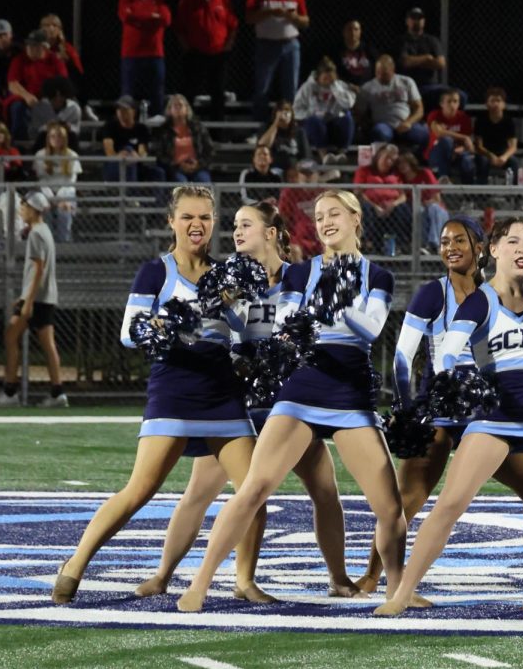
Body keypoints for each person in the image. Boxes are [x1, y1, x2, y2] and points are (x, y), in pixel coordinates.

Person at [373, 216, 523, 617]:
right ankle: (400, 595)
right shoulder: (480, 300)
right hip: (495, 414)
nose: (522, 249)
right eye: (513, 241)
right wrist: (450, 380)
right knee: (449, 504)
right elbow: (451, 350)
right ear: (494, 250)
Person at [177, 190, 408, 613]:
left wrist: (333, 306)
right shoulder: (301, 274)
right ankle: (200, 582)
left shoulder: (379, 276)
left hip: (351, 395)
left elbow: (370, 329)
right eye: (319, 217)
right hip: (303, 388)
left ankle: (397, 591)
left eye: (334, 213)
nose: (325, 221)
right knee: (253, 488)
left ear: (357, 219)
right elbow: (284, 324)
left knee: (389, 507)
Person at [134, 201, 363, 602]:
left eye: (246, 225)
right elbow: (230, 341)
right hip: (241, 403)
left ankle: (337, 578)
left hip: (291, 404)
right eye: (234, 226)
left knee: (324, 489)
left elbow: (323, 323)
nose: (236, 233)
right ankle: (164, 575)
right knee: (201, 491)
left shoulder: (300, 277)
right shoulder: (228, 280)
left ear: (271, 233)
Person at [52, 185, 256, 604]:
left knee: (253, 488)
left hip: (221, 392)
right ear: (171, 221)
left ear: (213, 222)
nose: (196, 225)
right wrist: (168, 328)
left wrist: (229, 303)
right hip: (174, 388)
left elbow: (238, 325)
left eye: (203, 217)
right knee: (139, 490)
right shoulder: (155, 273)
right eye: (187, 217)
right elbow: (129, 332)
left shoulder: (228, 275)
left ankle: (244, 580)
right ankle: (76, 562)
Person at [0, 192, 66, 408]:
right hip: (43, 296)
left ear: (33, 209)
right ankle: (57, 392)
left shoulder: (36, 234)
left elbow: (38, 270)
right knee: (47, 345)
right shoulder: (44, 231)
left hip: (36, 298)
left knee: (11, 337)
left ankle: (11, 392)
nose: (21, 211)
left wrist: (27, 301)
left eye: (24, 207)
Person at [247, 0, 310, 122]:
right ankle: (259, 127)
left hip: (290, 44)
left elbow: (305, 21)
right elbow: (249, 18)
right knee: (262, 88)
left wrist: (293, 16)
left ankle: (290, 128)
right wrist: (270, 12)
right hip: (266, 44)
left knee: (291, 89)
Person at [176, 0, 239, 122]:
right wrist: (188, 49)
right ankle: (185, 126)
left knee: (218, 93)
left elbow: (232, 25)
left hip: (218, 54)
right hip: (196, 53)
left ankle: (217, 131)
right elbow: (179, 27)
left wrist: (227, 46)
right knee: (189, 92)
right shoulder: (189, 0)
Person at [118, 0, 171, 116]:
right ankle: (128, 127)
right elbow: (126, 16)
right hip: (131, 54)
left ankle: (157, 130)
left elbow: (166, 19)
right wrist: (152, 18)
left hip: (154, 54)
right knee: (128, 93)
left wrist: (138, 18)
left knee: (156, 92)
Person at [358, 55, 428, 151]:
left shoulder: (406, 82)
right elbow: (360, 113)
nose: (380, 76)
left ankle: (420, 160)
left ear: (393, 69)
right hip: (384, 125)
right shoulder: (367, 88)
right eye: (378, 73)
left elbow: (419, 109)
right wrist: (370, 124)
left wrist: (409, 122)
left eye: (385, 74)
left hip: (405, 123)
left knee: (423, 133)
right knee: (379, 132)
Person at [6, 29, 67, 138]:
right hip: (27, 101)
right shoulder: (19, 60)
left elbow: (62, 82)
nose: (29, 49)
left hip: (49, 99)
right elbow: (12, 83)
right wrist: (26, 95)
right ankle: (20, 143)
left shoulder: (54, 60)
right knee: (17, 107)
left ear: (43, 47)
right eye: (28, 45)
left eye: (34, 46)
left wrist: (54, 97)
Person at [293, 58, 356, 159]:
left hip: (333, 125)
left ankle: (341, 154)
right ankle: (324, 156)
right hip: (315, 128)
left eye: (330, 78)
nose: (328, 81)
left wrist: (336, 90)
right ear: (319, 76)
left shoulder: (339, 85)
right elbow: (296, 110)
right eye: (325, 78)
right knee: (314, 121)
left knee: (347, 118)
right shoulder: (308, 87)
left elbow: (349, 104)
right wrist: (311, 113)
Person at [355, 143, 411, 253]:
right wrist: (375, 206)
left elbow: (403, 195)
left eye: (392, 160)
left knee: (403, 208)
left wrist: (393, 205)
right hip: (371, 206)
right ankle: (369, 242)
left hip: (391, 209)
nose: (389, 162)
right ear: (379, 156)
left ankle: (400, 244)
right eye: (386, 158)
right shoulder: (364, 171)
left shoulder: (396, 174)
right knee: (365, 208)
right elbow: (358, 193)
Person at [399, 7, 455, 111]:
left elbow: (441, 63)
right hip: (408, 87)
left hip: (431, 86)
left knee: (460, 96)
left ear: (424, 21)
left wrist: (415, 61)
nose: (417, 21)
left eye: (419, 18)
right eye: (413, 18)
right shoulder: (402, 41)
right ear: (407, 21)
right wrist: (427, 58)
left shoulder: (432, 40)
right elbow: (405, 62)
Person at [34, 121, 81, 243]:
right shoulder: (40, 154)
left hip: (66, 193)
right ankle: (47, 243)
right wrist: (50, 198)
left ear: (65, 138)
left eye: (60, 136)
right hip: (46, 192)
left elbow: (71, 181)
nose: (56, 139)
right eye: (53, 136)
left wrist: (60, 197)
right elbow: (41, 180)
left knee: (64, 208)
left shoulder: (72, 155)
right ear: (48, 138)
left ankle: (64, 242)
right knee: (44, 208)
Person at [393, 151, 449, 249]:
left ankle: (434, 243)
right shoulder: (401, 179)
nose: (402, 166)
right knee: (420, 211)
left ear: (411, 162)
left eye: (404, 162)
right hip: (417, 209)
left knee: (431, 208)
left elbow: (437, 199)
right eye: (399, 163)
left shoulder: (425, 173)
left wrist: (426, 203)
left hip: (437, 210)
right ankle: (424, 245)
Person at [154, 94, 214, 184]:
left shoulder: (198, 128)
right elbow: (159, 154)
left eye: (181, 105)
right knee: (182, 184)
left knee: (203, 181)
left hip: (197, 167)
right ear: (169, 110)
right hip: (175, 169)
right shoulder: (163, 130)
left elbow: (209, 150)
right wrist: (177, 164)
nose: (178, 108)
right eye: (175, 106)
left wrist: (198, 164)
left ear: (187, 109)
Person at [425, 88, 475, 184]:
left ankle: (468, 195)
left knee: (467, 161)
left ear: (459, 104)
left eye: (455, 101)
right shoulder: (435, 115)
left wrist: (463, 148)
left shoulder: (464, 118)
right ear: (441, 104)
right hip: (436, 153)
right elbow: (439, 133)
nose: (452, 105)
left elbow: (469, 144)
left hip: (456, 153)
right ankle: (444, 180)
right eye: (449, 102)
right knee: (446, 140)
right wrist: (464, 137)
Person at [98, 96, 151, 183]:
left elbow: (142, 152)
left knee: (158, 173)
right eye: (119, 109)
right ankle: (131, 191)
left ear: (133, 111)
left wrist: (136, 156)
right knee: (127, 151)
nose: (121, 113)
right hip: (115, 164)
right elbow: (109, 152)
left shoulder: (141, 129)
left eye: (125, 110)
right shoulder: (110, 126)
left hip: (136, 164)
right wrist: (119, 157)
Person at [474, 86, 519, 185]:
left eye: (498, 101)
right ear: (486, 104)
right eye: (492, 101)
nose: (495, 104)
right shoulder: (481, 120)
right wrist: (490, 156)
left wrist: (504, 157)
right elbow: (478, 146)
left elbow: (513, 146)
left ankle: (513, 195)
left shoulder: (509, 121)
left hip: (502, 153)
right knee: (482, 161)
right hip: (485, 153)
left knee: (514, 162)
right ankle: (481, 194)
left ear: (504, 104)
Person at [257, 99, 311, 174]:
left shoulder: (299, 132)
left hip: (295, 171)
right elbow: (262, 146)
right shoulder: (266, 128)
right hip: (274, 170)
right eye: (280, 112)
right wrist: (276, 123)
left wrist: (298, 169)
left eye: (287, 111)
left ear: (292, 115)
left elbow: (306, 156)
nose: (284, 114)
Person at [28, 76, 81, 145]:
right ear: (48, 96)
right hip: (45, 141)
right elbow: (33, 132)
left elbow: (76, 130)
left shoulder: (74, 108)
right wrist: (46, 127)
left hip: (66, 141)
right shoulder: (39, 107)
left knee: (72, 137)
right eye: (54, 98)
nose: (58, 99)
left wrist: (69, 127)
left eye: (61, 96)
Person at [39, 14, 84, 85]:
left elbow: (78, 72)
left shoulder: (68, 48)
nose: (51, 29)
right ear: (41, 29)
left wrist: (62, 47)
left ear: (60, 30)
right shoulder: (36, 47)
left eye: (54, 25)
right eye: (47, 25)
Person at [336, 20, 378, 90]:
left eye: (356, 29)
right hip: (344, 91)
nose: (352, 33)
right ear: (344, 32)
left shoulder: (369, 50)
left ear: (360, 31)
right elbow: (332, 74)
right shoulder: (336, 51)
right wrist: (348, 86)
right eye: (349, 29)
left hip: (368, 90)